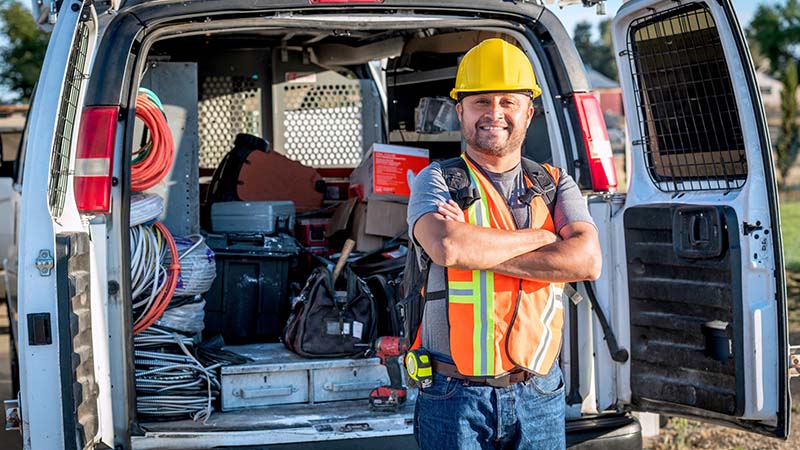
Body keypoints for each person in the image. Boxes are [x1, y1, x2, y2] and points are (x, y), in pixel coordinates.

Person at [406, 38, 602, 450]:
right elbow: (447, 248)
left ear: (529, 112)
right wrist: (545, 240)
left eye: (507, 102)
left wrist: (478, 250)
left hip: (539, 392)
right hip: (453, 395)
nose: (493, 114)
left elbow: (587, 260)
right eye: (480, 102)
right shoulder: (438, 180)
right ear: (460, 110)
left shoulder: (554, 182)